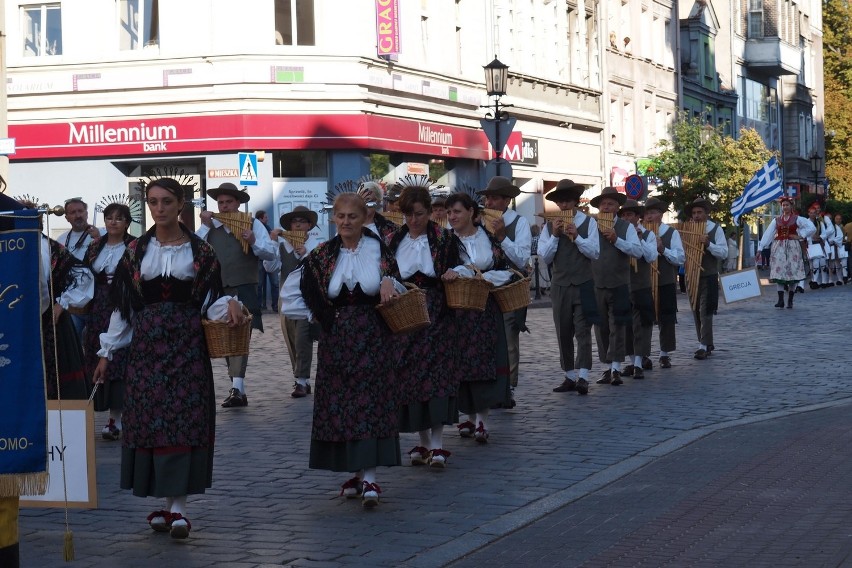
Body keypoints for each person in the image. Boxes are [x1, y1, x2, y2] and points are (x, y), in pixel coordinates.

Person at [92, 177, 242, 539]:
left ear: (181, 205)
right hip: (146, 351)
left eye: (166, 201)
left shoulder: (201, 252)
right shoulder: (135, 251)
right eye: (153, 202)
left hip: (187, 347)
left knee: (185, 421)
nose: (159, 208)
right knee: (150, 423)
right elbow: (124, 309)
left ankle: (179, 508)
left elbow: (210, 301)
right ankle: (162, 501)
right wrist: (107, 351)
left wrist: (231, 304)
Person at [297, 192, 402, 508]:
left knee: (370, 402)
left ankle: (370, 476)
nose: (345, 222)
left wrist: (389, 282)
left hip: (373, 334)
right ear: (333, 219)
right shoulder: (322, 256)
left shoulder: (379, 250)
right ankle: (357, 473)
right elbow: (305, 292)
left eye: (352, 216)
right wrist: (322, 315)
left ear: (365, 218)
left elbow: (395, 279)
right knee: (344, 405)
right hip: (337, 339)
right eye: (340, 216)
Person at [388, 182, 461, 468]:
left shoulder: (444, 238)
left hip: (437, 311)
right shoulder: (394, 239)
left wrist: (455, 272)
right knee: (410, 375)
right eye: (408, 215)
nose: (414, 220)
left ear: (430, 212)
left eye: (419, 214)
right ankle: (422, 441)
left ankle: (439, 444)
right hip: (405, 310)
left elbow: (461, 265)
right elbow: (386, 272)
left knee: (437, 375)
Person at [198, 182, 277, 408]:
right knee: (224, 339)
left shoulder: (251, 223)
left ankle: (237, 387)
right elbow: (194, 250)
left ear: (238, 203)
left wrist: (252, 241)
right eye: (220, 203)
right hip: (218, 288)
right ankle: (237, 388)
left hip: (244, 286)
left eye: (228, 202)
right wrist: (204, 226)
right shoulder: (209, 226)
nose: (223, 207)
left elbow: (270, 254)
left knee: (240, 335)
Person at [443, 192, 513, 442]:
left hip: (484, 307)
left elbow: (506, 267)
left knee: (484, 362)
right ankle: (470, 416)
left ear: (471, 212)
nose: (452, 217)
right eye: (449, 212)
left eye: (457, 212)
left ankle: (482, 420)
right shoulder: (446, 241)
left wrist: (484, 278)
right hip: (458, 308)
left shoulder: (488, 236)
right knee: (462, 364)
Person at [16, 197, 95, 400]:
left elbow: (83, 276)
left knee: (56, 372)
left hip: (50, 321)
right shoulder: (9, 247)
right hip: (15, 321)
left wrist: (62, 303)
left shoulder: (48, 247)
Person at [537, 179, 600, 395]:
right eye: (560, 202)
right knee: (563, 330)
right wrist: (555, 236)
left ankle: (583, 376)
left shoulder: (589, 223)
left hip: (584, 283)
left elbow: (594, 252)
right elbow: (544, 257)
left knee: (583, 330)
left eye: (568, 201)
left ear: (575, 202)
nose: (564, 206)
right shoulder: (549, 226)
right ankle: (569, 375)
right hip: (560, 284)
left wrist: (577, 237)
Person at [83, 200, 136, 440]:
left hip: (122, 307)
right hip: (97, 311)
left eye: (119, 218)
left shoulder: (134, 246)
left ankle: (116, 419)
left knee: (119, 360)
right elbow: (84, 277)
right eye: (109, 218)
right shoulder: (95, 247)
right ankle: (101, 413)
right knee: (98, 358)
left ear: (127, 223)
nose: (113, 222)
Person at [477, 176, 531, 407]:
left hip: (509, 285)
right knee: (485, 338)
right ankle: (488, 386)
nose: (489, 202)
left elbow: (522, 258)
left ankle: (508, 388)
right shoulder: (479, 221)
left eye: (494, 198)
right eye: (487, 197)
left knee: (509, 339)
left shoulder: (519, 223)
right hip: (483, 286)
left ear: (507, 200)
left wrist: (501, 237)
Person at [589, 187, 642, 385]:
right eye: (603, 204)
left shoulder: (626, 227)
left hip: (619, 283)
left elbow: (637, 251)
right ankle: (607, 367)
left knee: (618, 325)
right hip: (597, 283)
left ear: (617, 207)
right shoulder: (592, 226)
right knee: (600, 327)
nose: (606, 207)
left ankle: (617, 368)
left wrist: (616, 239)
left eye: (610, 204)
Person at [272, 206, 322, 397]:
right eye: (294, 221)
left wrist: (306, 253)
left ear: (309, 225)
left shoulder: (318, 245)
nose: (298, 224)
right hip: (285, 300)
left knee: (303, 338)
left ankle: (301, 381)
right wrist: (273, 243)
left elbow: (322, 271)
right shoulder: (283, 246)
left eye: (302, 221)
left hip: (306, 299)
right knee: (291, 340)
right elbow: (271, 266)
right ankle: (301, 378)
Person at [642, 198, 684, 369]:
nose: (649, 217)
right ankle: (643, 353)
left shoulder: (671, 233)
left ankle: (664, 353)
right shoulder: (639, 232)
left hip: (665, 280)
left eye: (653, 213)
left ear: (660, 214)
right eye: (647, 213)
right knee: (644, 318)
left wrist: (663, 250)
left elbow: (680, 258)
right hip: (644, 281)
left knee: (666, 317)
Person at [683, 197, 727, 360]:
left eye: (699, 212)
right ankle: (705, 342)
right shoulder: (687, 229)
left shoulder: (715, 229)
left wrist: (708, 244)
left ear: (706, 213)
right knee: (695, 310)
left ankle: (703, 345)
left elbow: (723, 253)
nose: (696, 216)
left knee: (705, 310)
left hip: (708, 275)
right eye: (694, 213)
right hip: (690, 275)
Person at [619, 200, 658, 380]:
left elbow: (650, 256)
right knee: (626, 326)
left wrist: (639, 238)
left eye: (630, 215)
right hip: (622, 284)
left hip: (641, 285)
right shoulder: (616, 234)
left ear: (637, 217)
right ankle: (633, 361)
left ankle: (639, 363)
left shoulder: (648, 235)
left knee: (641, 326)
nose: (626, 218)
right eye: (623, 215)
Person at [57, 198, 103, 338]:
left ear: (87, 213)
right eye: (73, 212)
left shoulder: (102, 233)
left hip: (98, 302)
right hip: (73, 304)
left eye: (80, 211)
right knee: (74, 345)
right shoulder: (60, 240)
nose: (78, 215)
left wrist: (99, 239)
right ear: (66, 217)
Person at [757, 197, 814, 309]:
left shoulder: (797, 219)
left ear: (791, 206)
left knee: (792, 272)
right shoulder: (776, 220)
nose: (785, 207)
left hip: (793, 247)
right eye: (784, 205)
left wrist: (800, 235)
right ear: (781, 207)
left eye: (787, 205)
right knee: (779, 272)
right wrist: (761, 248)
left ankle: (790, 300)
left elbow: (811, 228)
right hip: (779, 248)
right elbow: (768, 234)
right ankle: (780, 300)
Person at [254, 210, 278, 310]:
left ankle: (275, 305)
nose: (267, 219)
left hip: (269, 260)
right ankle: (260, 305)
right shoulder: (255, 229)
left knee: (274, 283)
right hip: (260, 260)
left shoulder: (269, 229)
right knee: (259, 284)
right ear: (260, 219)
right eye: (265, 217)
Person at [804, 204, 827, 290]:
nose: (813, 214)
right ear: (808, 213)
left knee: (820, 262)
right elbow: (803, 233)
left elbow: (824, 233)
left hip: (819, 244)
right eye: (811, 213)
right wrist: (810, 237)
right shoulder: (805, 222)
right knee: (812, 264)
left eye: (814, 213)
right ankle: (814, 280)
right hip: (810, 245)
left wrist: (820, 237)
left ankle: (819, 281)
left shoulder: (819, 223)